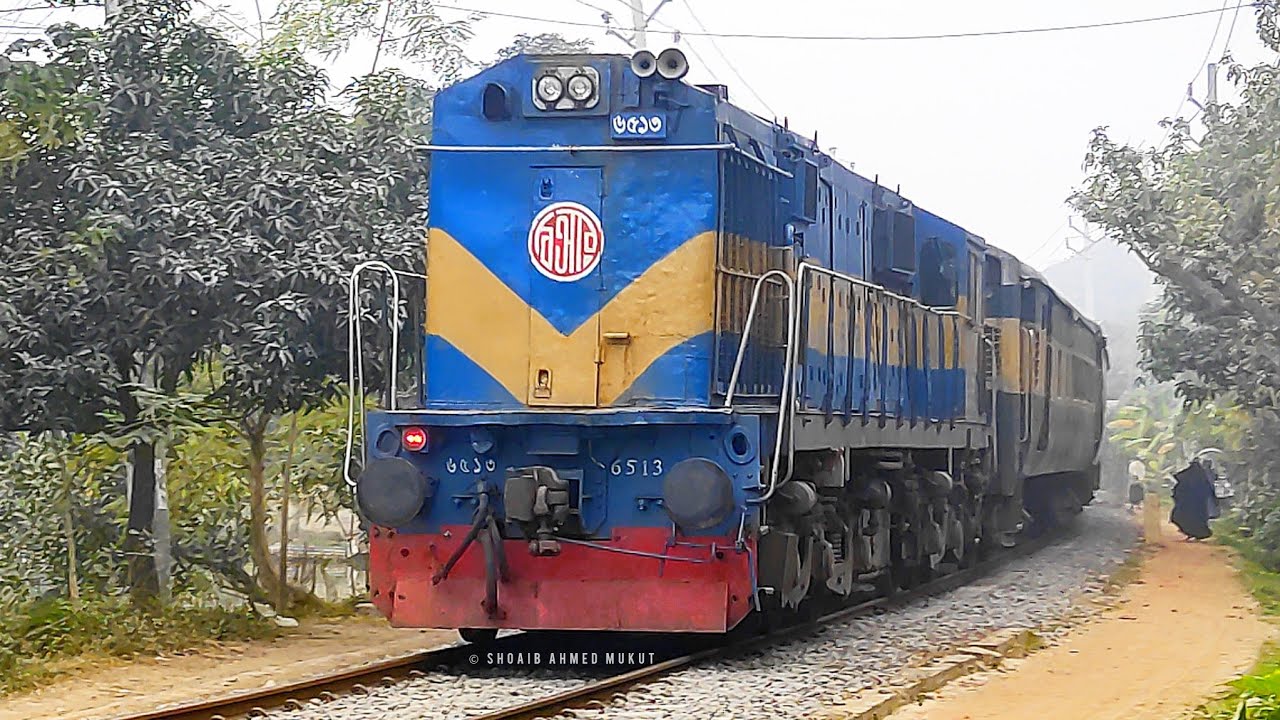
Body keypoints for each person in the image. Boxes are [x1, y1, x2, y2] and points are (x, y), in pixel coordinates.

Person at [1170, 458, 1220, 540]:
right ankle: (1195, 534)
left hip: (1188, 504)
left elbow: (1179, 484)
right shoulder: (1203, 477)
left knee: (1183, 517)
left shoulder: (1188, 476)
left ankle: (1192, 534)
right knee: (1197, 520)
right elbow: (1208, 490)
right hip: (1199, 505)